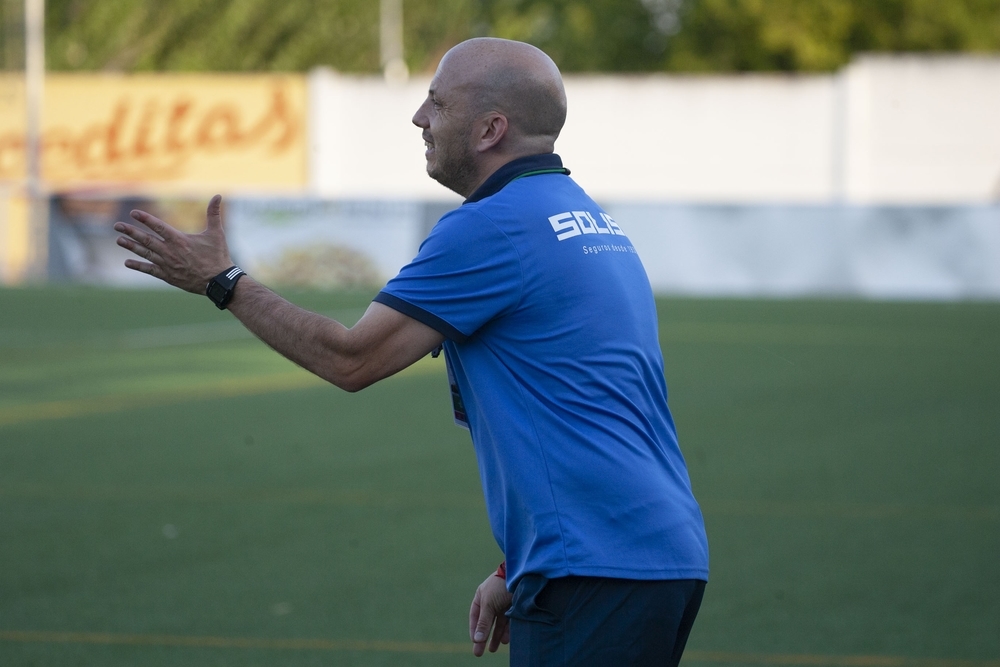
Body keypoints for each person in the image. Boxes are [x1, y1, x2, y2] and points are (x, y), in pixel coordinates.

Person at [114, 37, 708, 666]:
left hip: (597, 567)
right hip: (649, 551)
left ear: (490, 130)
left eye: (436, 102)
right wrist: (519, 565)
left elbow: (351, 359)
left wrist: (223, 281)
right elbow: (592, 407)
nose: (420, 119)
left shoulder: (492, 227)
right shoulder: (585, 218)